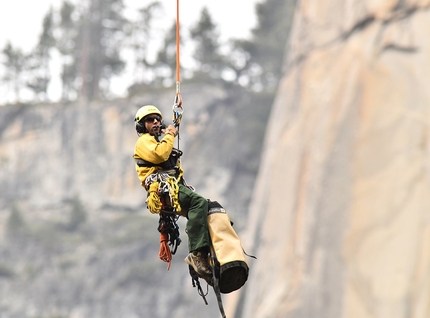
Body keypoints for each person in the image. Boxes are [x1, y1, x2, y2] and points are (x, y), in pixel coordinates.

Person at [133, 105, 212, 280]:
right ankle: (197, 255)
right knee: (199, 203)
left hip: (171, 187)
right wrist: (170, 134)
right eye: (150, 120)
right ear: (141, 125)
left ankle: (205, 255)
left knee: (207, 209)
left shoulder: (156, 142)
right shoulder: (144, 141)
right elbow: (160, 155)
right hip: (163, 188)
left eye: (157, 119)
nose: (155, 122)